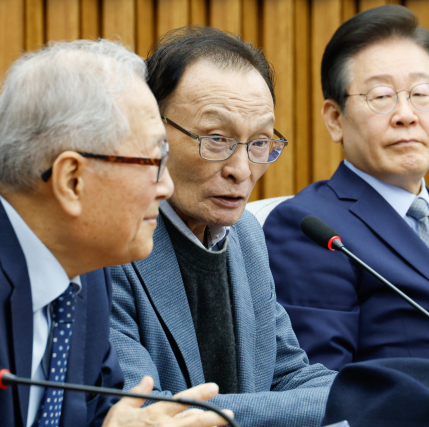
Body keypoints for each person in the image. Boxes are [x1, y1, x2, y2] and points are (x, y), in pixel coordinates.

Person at [0, 39, 233, 427]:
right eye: (154, 162)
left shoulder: (83, 267)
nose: (166, 187)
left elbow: (94, 414)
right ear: (72, 180)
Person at [264, 5, 429, 407]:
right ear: (335, 118)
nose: (406, 115)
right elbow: (320, 391)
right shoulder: (310, 226)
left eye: (422, 94)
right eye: (382, 96)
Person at [109, 26, 336, 427]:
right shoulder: (110, 242)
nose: (242, 170)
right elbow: (145, 413)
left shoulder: (245, 235)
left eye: (261, 142)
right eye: (216, 139)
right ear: (152, 131)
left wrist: (379, 397)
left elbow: (289, 375)